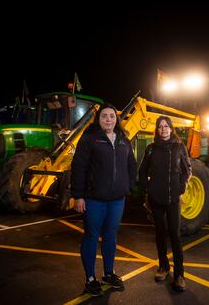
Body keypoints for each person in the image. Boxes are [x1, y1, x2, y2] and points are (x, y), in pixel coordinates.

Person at [71, 103, 137, 297]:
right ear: (98, 119)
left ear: (116, 119)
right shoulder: (90, 139)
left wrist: (128, 185)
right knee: (91, 237)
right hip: (94, 200)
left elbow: (131, 165)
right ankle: (90, 278)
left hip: (117, 200)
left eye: (111, 116)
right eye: (104, 116)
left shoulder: (124, 140)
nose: (108, 119)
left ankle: (109, 273)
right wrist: (78, 196)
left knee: (111, 236)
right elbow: (78, 167)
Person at [138, 115, 192, 292]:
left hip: (173, 199)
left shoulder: (179, 147)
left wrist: (182, 186)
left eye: (166, 126)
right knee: (160, 234)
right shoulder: (151, 149)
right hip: (156, 199)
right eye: (160, 127)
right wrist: (148, 189)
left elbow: (187, 169)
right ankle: (163, 267)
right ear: (157, 130)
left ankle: (179, 275)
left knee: (175, 235)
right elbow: (142, 171)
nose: (163, 129)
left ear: (171, 128)